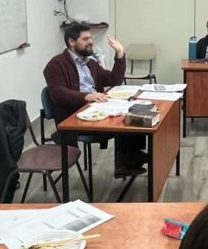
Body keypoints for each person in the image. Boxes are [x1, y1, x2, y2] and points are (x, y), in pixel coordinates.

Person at [43, 22, 145, 178]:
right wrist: (87, 96)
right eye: (85, 39)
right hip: (75, 118)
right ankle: (128, 160)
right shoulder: (56, 65)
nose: (91, 41)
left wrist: (120, 53)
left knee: (134, 112)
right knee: (125, 120)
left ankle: (130, 158)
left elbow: (114, 79)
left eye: (90, 38)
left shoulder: (90, 63)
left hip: (96, 109)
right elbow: (58, 93)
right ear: (71, 42)